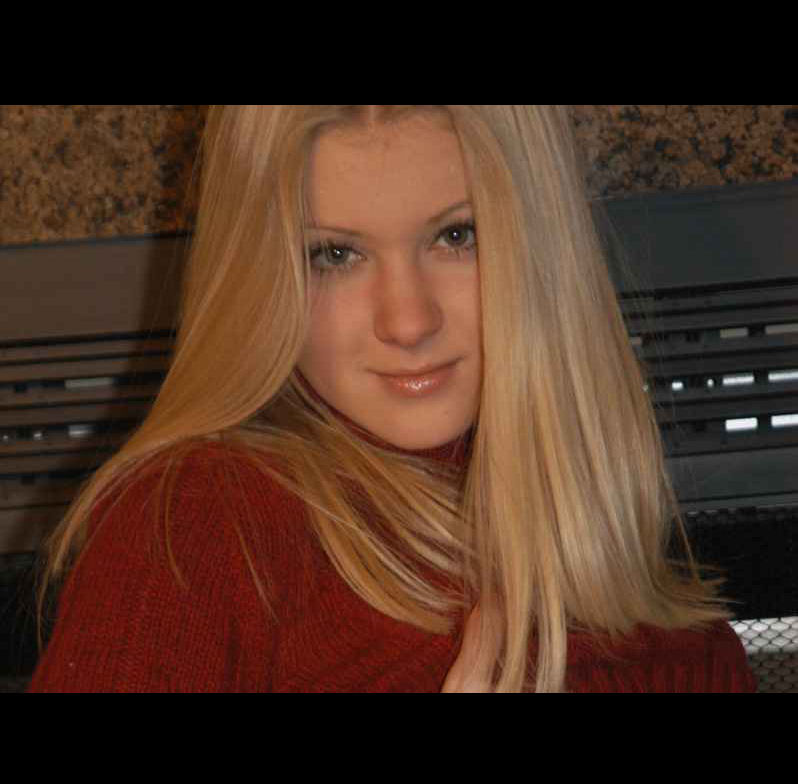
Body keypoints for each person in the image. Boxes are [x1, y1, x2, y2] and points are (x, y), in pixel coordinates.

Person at [28, 105, 755, 693]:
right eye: (335, 254)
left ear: (541, 247)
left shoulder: (695, 649)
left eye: (457, 235)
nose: (407, 322)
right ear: (262, 275)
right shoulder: (195, 525)